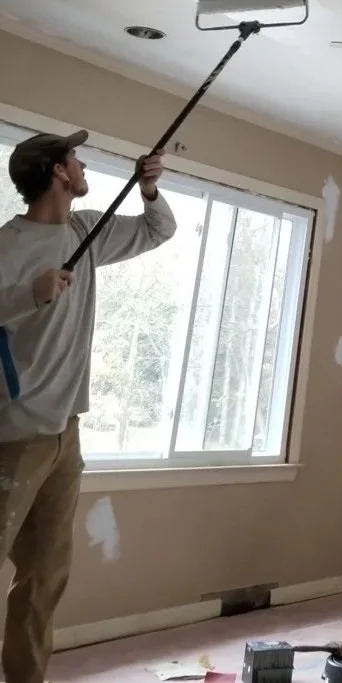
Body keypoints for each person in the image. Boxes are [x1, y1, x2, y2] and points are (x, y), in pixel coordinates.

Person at [0, 127, 176, 683]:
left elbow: (159, 229)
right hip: (13, 433)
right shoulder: (7, 245)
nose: (81, 165)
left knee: (45, 574)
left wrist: (148, 189)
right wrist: (31, 292)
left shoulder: (85, 229)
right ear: (57, 171)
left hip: (64, 433)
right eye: (74, 158)